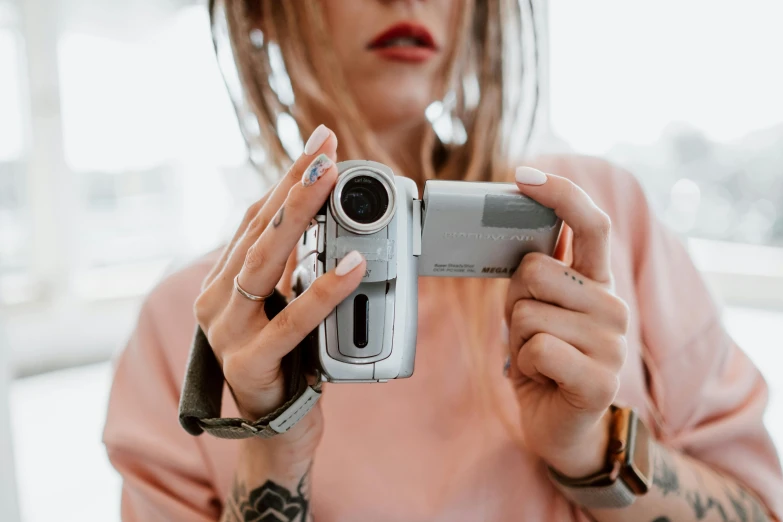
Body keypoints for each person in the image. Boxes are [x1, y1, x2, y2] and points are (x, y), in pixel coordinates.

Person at [103, 1, 783, 521]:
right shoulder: (189, 327)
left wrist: (587, 450)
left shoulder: (592, 224)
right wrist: (272, 449)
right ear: (259, 15)